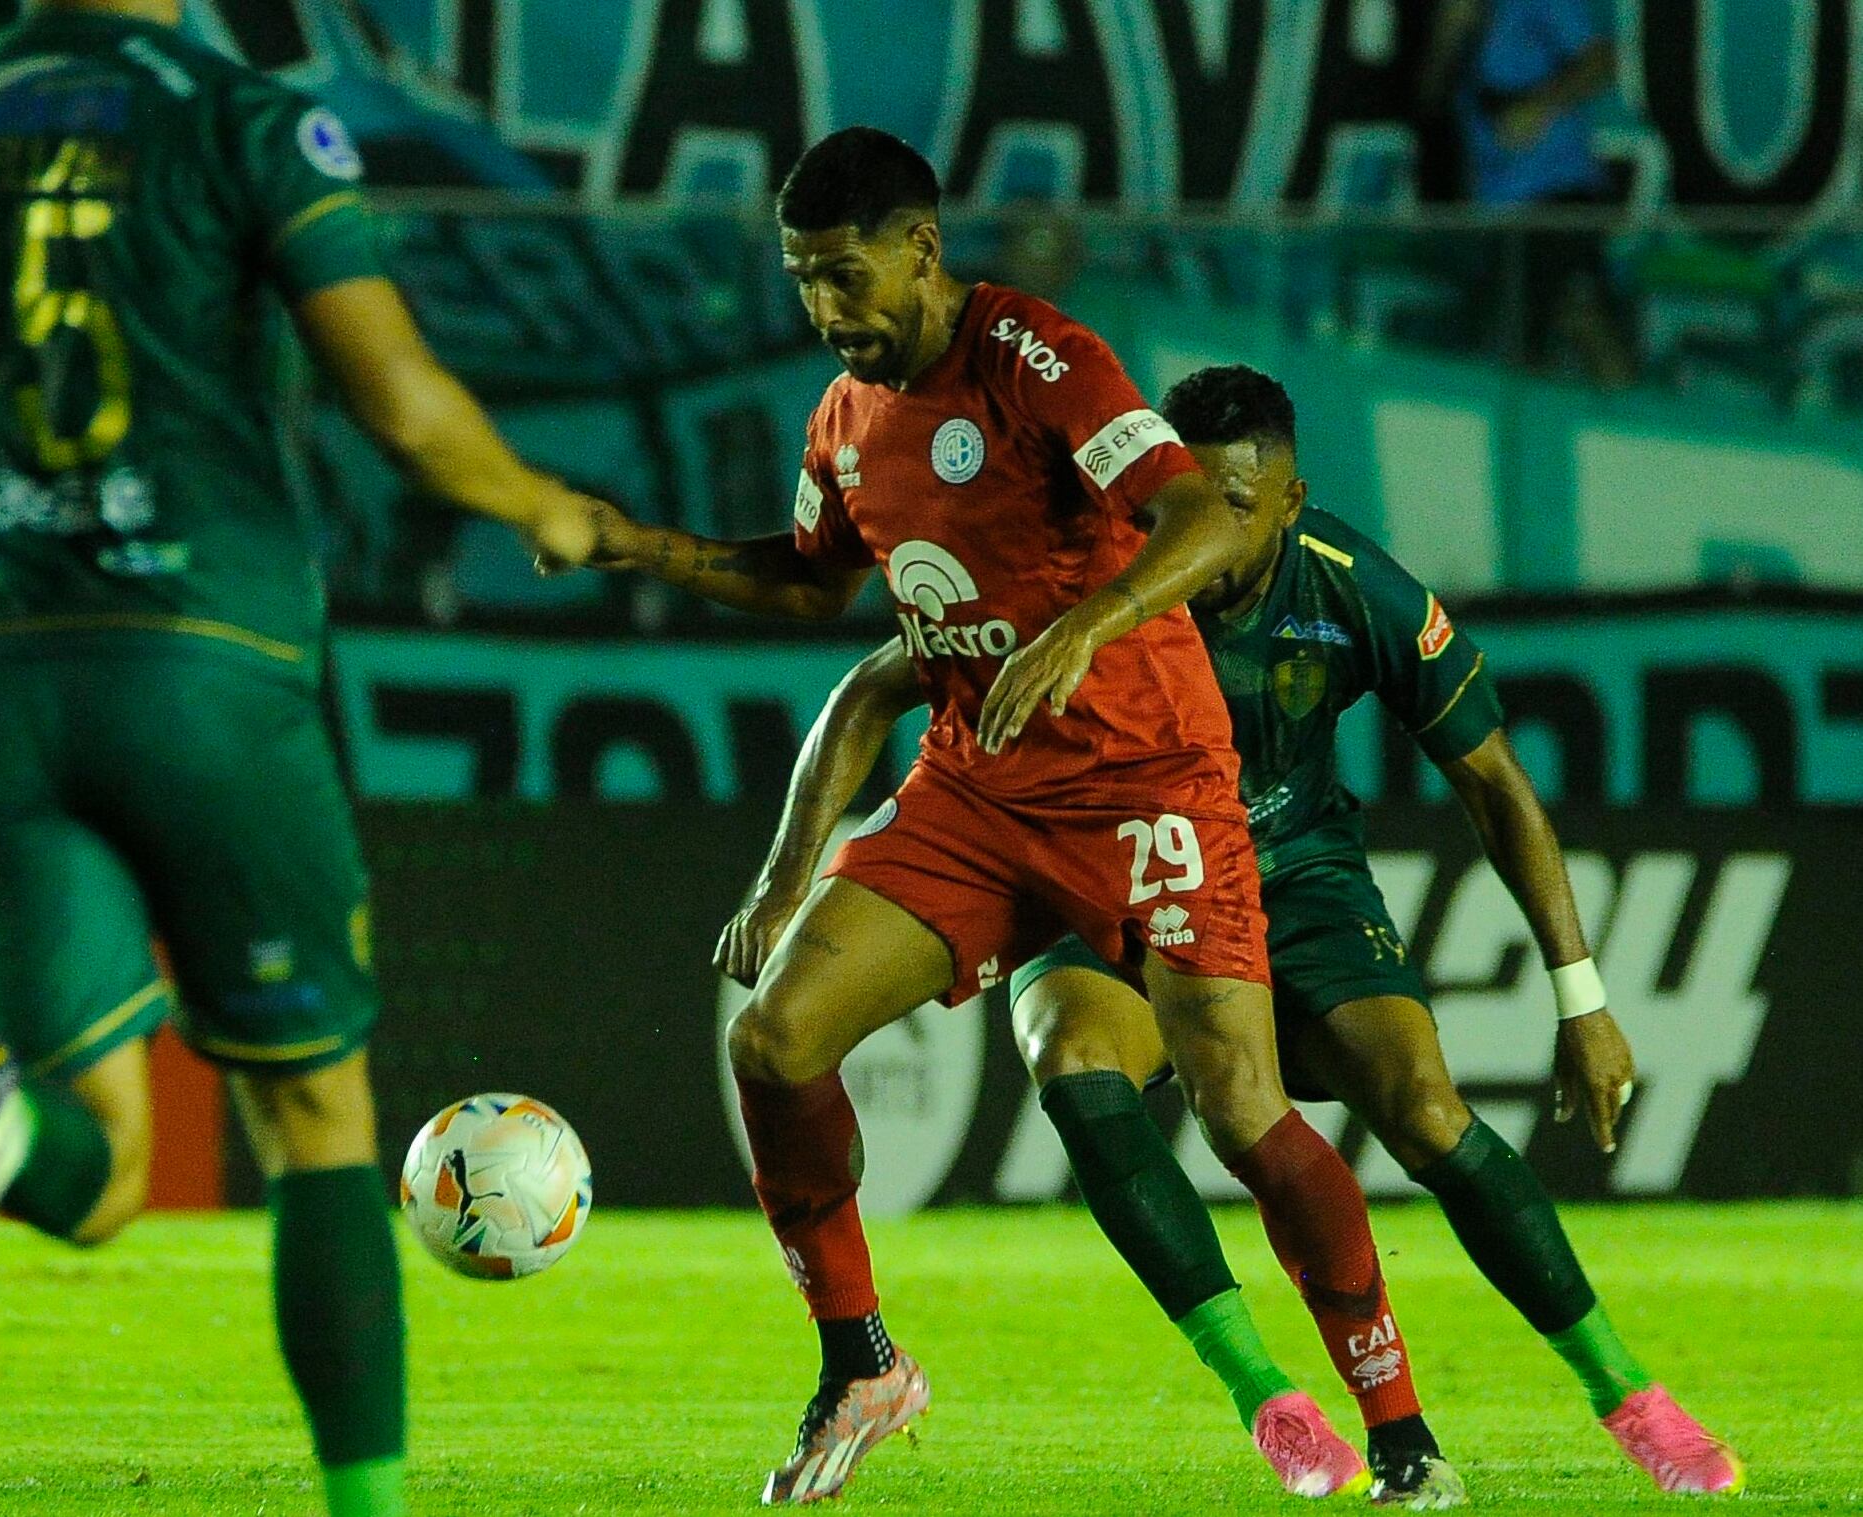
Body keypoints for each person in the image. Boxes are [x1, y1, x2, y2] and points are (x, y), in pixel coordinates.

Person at [0, 4, 600, 1516]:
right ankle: (369, 1508)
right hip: (199, 665)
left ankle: (1, 1135)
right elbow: (401, 405)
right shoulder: (243, 118)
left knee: (107, 1173)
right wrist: (535, 501)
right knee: (318, 1114)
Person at [584, 126, 1440, 1506]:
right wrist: (640, 546)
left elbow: (1204, 519)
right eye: (803, 279)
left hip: (1150, 774)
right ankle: (859, 1358)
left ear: (924, 248)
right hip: (981, 794)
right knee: (777, 1036)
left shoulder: (1040, 357)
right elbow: (813, 588)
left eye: (847, 275)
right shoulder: (843, 420)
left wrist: (1086, 626)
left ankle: (1400, 1429)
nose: (824, 308)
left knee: (1241, 1111)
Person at [724, 363, 1746, 1499]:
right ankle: (1265, 1392)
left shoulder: (1356, 590)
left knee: (1419, 1106)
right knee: (1071, 1056)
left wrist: (1580, 996)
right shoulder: (1086, 572)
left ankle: (1620, 1394)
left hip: (1291, 872)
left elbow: (1493, 783)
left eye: (1236, 511)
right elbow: (873, 684)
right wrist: (792, 873)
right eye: (1178, 503)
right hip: (1101, 865)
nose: (1200, 535)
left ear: (1292, 501)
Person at [1421, 0, 1631, 382]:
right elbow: (1429, 96)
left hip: (1556, 193)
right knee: (1503, 338)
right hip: (1491, 210)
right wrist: (1447, 36)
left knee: (1567, 317)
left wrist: (1539, 105)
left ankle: (1631, 422)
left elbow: (1603, 59)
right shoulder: (1455, 17)